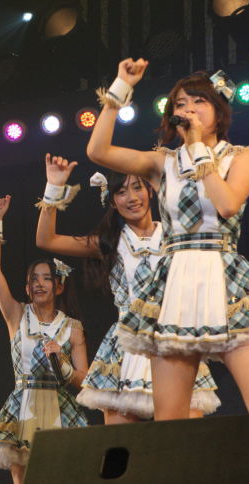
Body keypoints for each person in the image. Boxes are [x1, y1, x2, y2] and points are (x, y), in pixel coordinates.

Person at [87, 59, 249, 420]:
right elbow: (98, 152)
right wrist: (121, 87)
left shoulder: (240, 157)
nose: (188, 109)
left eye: (198, 101)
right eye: (181, 104)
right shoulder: (162, 162)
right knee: (171, 419)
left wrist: (199, 149)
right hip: (175, 283)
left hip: (226, 277)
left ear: (218, 111)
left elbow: (227, 204)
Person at [35, 154, 220, 422]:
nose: (131, 197)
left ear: (150, 190)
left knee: (183, 440)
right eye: (121, 192)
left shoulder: (175, 236)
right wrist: (53, 187)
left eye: (137, 187)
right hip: (126, 351)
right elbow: (46, 240)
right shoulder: (109, 242)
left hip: (173, 340)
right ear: (112, 201)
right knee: (122, 443)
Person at [0, 196, 88, 484]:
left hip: (60, 407)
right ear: (27, 288)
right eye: (33, 280)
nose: (39, 284)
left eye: (46, 279)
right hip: (24, 405)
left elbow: (85, 380)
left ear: (59, 286)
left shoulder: (72, 327)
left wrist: (62, 363)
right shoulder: (17, 315)